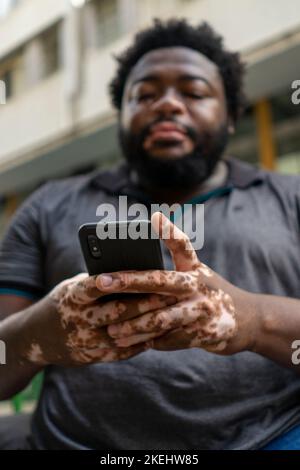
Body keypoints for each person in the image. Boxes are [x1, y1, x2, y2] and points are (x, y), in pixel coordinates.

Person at [0, 18, 300, 450]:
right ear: (120, 114)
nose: (168, 105)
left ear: (232, 115)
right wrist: (39, 334)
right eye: (144, 94)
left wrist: (251, 321)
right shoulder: (49, 205)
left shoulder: (289, 199)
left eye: (194, 93)